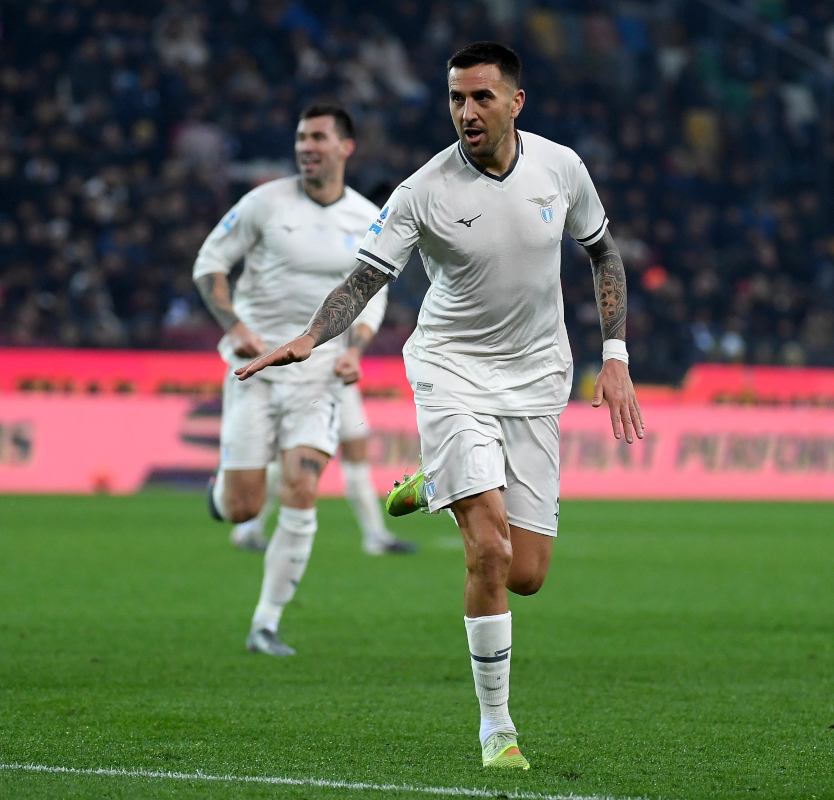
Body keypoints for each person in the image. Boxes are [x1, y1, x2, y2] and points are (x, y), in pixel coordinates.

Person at [235, 41, 644, 769]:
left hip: (536, 376)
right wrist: (309, 337)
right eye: (456, 98)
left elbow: (602, 252)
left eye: (482, 96)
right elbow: (363, 280)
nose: (467, 111)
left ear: (516, 101)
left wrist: (615, 356)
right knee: (489, 551)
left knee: (527, 573)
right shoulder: (422, 190)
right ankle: (497, 730)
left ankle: (437, 484)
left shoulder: (561, 168)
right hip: (451, 371)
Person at [193, 103, 390, 657]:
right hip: (254, 369)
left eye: (319, 137)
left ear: (345, 147)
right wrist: (235, 326)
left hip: (319, 376)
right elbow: (209, 265)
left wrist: (355, 349)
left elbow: (373, 293)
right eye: (302, 137)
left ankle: (266, 623)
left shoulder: (367, 218)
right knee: (243, 508)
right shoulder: (263, 203)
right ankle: (223, 493)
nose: (307, 146)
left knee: (302, 487)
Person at [229, 380, 419, 556]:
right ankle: (249, 528)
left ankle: (376, 535)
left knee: (357, 453)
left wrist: (351, 358)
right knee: (285, 460)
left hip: (341, 385)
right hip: (306, 384)